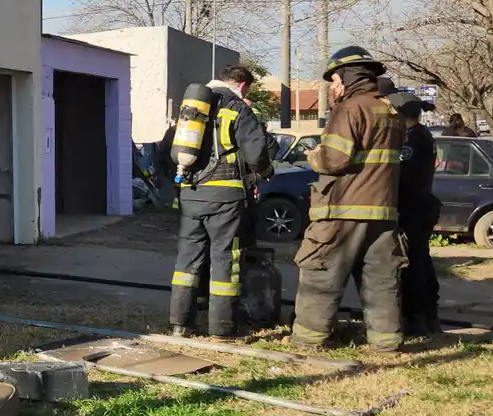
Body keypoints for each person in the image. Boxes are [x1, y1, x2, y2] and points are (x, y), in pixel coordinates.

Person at [291, 45, 407, 353]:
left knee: (321, 273)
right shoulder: (390, 111)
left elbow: (335, 159)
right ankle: (386, 343)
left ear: (345, 78)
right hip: (382, 212)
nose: (332, 88)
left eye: (333, 81)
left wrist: (314, 156)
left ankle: (308, 340)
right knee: (381, 279)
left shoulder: (349, 109)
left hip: (343, 210)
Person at [168, 65, 275, 339]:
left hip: (190, 195)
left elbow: (166, 148)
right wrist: (266, 171)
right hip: (225, 199)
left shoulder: (192, 108)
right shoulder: (236, 108)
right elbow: (256, 152)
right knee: (225, 258)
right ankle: (222, 329)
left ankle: (180, 324)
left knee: (188, 260)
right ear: (242, 86)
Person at [389, 92, 442, 336]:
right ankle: (429, 317)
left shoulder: (411, 140)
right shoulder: (423, 135)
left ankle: (417, 320)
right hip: (422, 206)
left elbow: (402, 176)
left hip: (412, 209)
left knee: (412, 266)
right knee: (422, 262)